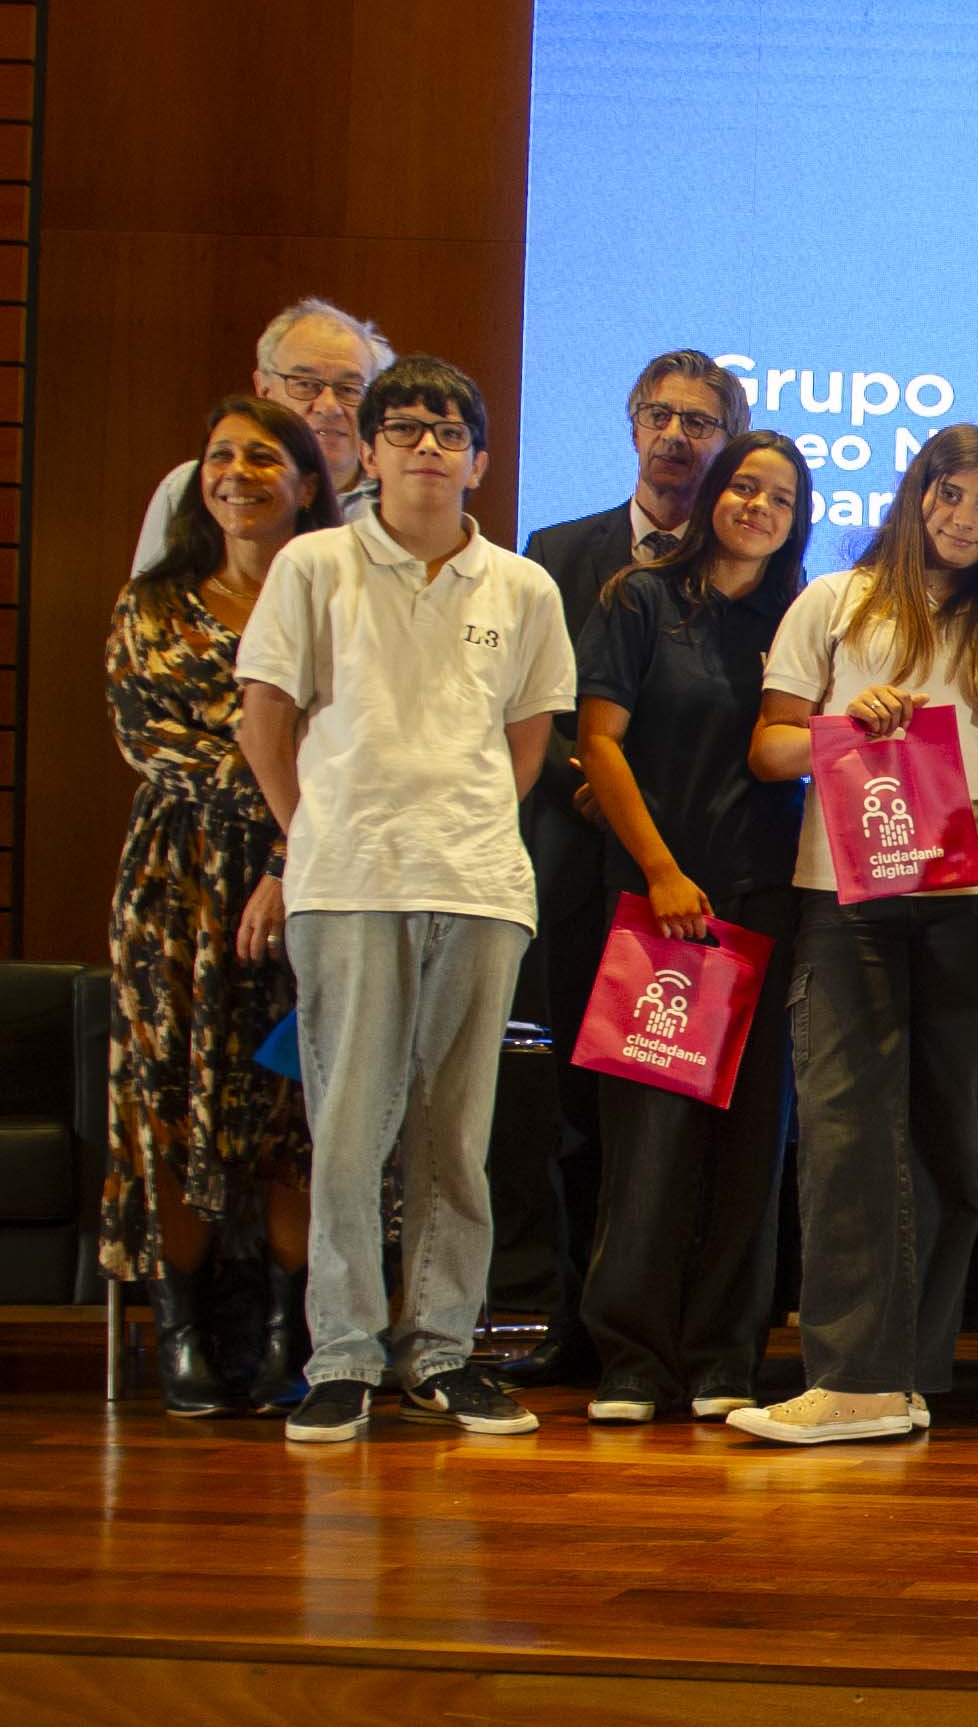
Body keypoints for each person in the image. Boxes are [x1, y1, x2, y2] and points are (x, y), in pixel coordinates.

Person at [237, 355, 578, 1443]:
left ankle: (440, 1349)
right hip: (348, 882)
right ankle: (340, 1356)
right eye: (406, 428)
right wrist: (310, 831)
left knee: (455, 1136)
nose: (428, 446)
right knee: (347, 1127)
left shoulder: (521, 586)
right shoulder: (314, 565)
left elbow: (527, 740)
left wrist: (460, 822)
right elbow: (263, 716)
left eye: (449, 431)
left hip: (477, 883)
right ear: (371, 450)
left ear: (479, 458)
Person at [730, 423, 978, 1446]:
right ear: (916, 494)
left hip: (975, 895)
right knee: (847, 1128)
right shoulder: (833, 601)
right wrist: (842, 730)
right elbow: (770, 750)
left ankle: (911, 1372)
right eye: (949, 494)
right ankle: (852, 1375)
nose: (963, 517)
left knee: (947, 1136)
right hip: (845, 891)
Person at [497, 350, 754, 1388]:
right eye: (660, 413)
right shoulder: (558, 552)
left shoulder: (751, 565)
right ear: (630, 422)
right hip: (574, 859)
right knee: (566, 1096)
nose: (677, 435)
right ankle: (558, 1317)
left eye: (700, 421)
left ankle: (661, 1326)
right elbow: (526, 700)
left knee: (672, 1107)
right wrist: (593, 787)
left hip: (697, 873)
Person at [569, 428, 813, 1424]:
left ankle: (724, 1357)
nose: (757, 507)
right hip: (665, 905)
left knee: (749, 1145)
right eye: (744, 487)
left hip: (766, 900)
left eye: (781, 499)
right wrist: (662, 868)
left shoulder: (792, 622)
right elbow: (596, 742)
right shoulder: (640, 596)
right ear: (712, 490)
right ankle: (631, 1358)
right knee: (652, 1142)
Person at [103, 395, 341, 1416]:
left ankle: (291, 1336)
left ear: (304, 483)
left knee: (294, 1107)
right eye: (218, 456)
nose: (235, 473)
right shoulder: (151, 603)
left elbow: (349, 736)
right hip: (177, 881)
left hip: (316, 867)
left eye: (261, 457)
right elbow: (145, 735)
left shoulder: (336, 596)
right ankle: (184, 1334)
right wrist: (267, 789)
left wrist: (291, 850)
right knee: (167, 1103)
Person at [130, 298, 391, 575]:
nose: (328, 406)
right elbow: (147, 605)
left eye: (349, 389)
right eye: (304, 385)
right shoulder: (197, 486)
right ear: (264, 390)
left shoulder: (397, 502)